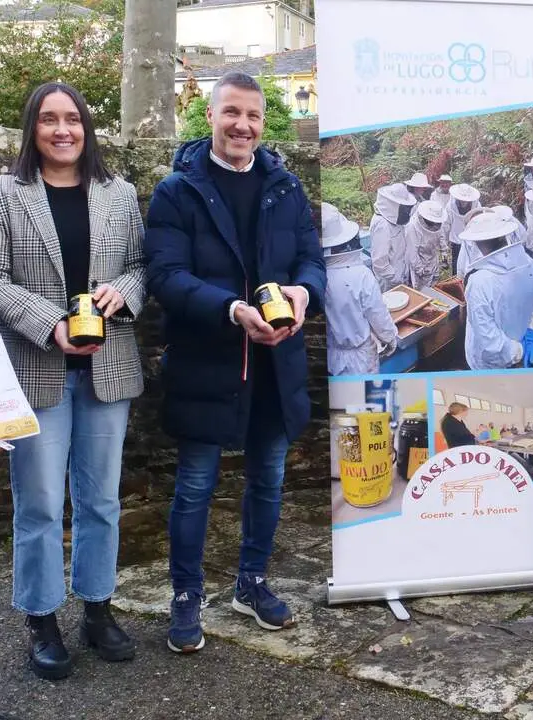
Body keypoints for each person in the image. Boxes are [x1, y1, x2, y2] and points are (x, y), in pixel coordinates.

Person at [144, 71, 325, 653]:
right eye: (231, 113)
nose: (242, 125)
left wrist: (303, 294)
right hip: (209, 357)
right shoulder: (178, 190)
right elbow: (165, 277)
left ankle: (252, 582)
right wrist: (229, 310)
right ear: (211, 116)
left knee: (268, 479)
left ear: (262, 123)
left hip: (276, 361)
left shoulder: (286, 187)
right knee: (195, 486)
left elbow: (311, 260)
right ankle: (186, 594)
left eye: (252, 115)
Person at [0, 82, 146, 678]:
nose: (63, 130)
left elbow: (145, 266)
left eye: (72, 119)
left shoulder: (118, 193)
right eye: (49, 120)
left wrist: (122, 292)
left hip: (107, 368)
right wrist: (50, 327)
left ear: (86, 127)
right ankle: (41, 617)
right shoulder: (1, 194)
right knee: (41, 504)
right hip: (36, 366)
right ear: (33, 128)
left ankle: (97, 609)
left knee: (101, 500)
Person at [461, 212, 533, 369]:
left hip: (487, 363)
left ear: (477, 242)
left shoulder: (479, 281)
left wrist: (519, 350)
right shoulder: (529, 263)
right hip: (518, 345)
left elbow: (488, 338)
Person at [322, 201, 398, 375]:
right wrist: (390, 337)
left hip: (329, 356)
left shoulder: (316, 275)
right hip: (360, 358)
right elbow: (377, 313)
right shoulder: (360, 275)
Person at [369, 183, 417, 291]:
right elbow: (379, 263)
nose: (406, 211)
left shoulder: (394, 220)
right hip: (389, 282)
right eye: (404, 207)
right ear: (393, 205)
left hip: (399, 276)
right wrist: (396, 278)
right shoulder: (382, 224)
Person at [408, 200, 446, 290]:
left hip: (434, 259)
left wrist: (444, 255)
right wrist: (421, 270)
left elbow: (441, 237)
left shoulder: (439, 221)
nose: (436, 225)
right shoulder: (413, 227)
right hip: (421, 264)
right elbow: (412, 253)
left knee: (434, 287)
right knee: (422, 291)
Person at [447, 183, 482, 275]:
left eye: (465, 200)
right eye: (461, 200)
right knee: (456, 263)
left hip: (471, 240)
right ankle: (455, 284)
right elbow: (447, 224)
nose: (463, 202)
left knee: (470, 264)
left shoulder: (477, 205)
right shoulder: (450, 206)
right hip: (456, 240)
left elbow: (479, 221)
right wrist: (445, 243)